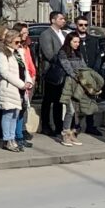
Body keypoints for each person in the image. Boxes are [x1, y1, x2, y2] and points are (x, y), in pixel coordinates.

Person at [0, 26, 29, 151]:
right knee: (8, 113)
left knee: (16, 114)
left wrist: (28, 81)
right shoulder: (2, 54)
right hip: (8, 88)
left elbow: (24, 69)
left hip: (20, 88)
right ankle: (7, 139)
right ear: (9, 41)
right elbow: (5, 72)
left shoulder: (19, 53)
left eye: (20, 42)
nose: (19, 44)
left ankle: (12, 138)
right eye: (16, 42)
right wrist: (20, 84)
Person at [37, 10, 68, 138]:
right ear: (53, 20)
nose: (63, 21)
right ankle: (46, 125)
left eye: (64, 19)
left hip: (63, 71)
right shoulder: (46, 34)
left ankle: (58, 125)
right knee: (49, 99)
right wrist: (64, 60)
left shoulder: (65, 34)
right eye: (61, 19)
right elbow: (49, 54)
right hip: (52, 71)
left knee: (59, 100)